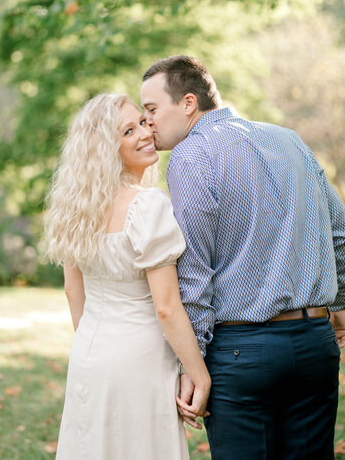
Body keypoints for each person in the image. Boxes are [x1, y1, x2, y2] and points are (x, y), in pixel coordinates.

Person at [140, 54, 345, 460]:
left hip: (241, 353)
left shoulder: (191, 155)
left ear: (187, 103)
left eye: (151, 109)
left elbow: (194, 273)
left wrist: (191, 365)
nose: (148, 123)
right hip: (315, 345)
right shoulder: (290, 139)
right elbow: (339, 234)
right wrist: (338, 309)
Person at [44, 93, 211, 460]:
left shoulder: (74, 210)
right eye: (128, 130)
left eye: (143, 121)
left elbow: (75, 293)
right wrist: (199, 375)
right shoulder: (146, 205)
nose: (146, 132)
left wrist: (97, 346)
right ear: (106, 148)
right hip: (142, 359)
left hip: (90, 354)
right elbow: (166, 307)